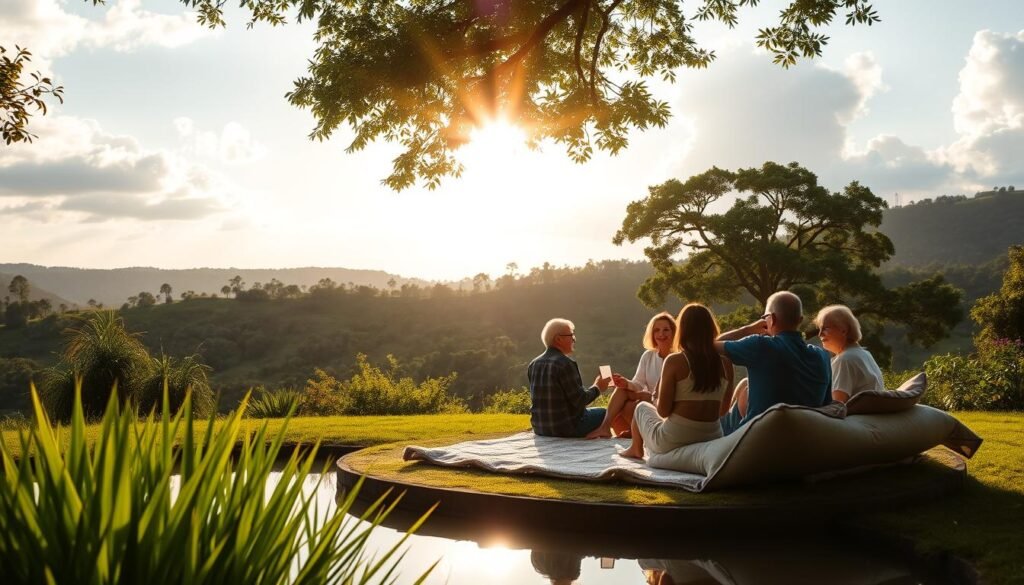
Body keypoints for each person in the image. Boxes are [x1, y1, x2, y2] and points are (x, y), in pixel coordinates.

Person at [620, 304, 733, 459]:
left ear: (682, 329)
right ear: (711, 328)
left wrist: (654, 396)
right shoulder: (726, 363)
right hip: (712, 436)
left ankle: (635, 448)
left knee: (641, 408)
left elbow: (663, 412)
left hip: (675, 439)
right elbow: (723, 411)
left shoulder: (675, 361)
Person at [714, 291, 831, 436]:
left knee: (720, 421)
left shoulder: (761, 346)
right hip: (803, 439)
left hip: (754, 439)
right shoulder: (822, 357)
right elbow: (826, 405)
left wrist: (747, 329)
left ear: (772, 319)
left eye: (764, 317)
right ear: (800, 320)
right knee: (745, 386)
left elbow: (711, 347)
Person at [584, 312, 677, 439]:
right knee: (623, 393)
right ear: (652, 334)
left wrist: (647, 396)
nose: (661, 334)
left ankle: (637, 434)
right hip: (648, 401)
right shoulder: (648, 356)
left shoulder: (678, 357)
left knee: (633, 405)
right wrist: (626, 383)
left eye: (666, 330)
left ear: (674, 332)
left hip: (666, 406)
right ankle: (605, 428)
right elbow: (638, 383)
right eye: (657, 330)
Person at [528, 318, 611, 437]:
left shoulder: (533, 364)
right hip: (566, 428)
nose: (574, 339)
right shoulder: (565, 364)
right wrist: (598, 387)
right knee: (606, 412)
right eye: (571, 335)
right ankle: (622, 439)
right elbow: (580, 401)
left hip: (540, 428)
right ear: (558, 339)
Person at [814, 304, 885, 402]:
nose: (820, 334)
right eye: (820, 329)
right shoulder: (864, 354)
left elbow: (836, 405)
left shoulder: (844, 360)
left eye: (825, 328)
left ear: (843, 330)